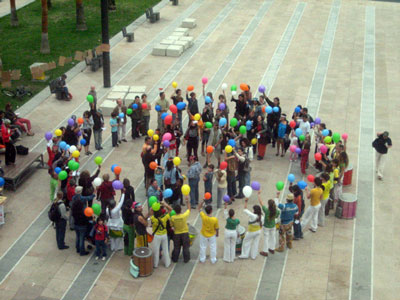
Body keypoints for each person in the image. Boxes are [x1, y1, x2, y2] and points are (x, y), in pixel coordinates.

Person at [150, 200, 172, 268]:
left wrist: (153, 207)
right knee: (166, 250)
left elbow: (150, 212)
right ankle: (167, 264)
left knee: (156, 251)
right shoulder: (165, 217)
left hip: (157, 236)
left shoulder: (152, 218)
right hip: (164, 235)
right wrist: (165, 204)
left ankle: (155, 264)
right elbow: (170, 209)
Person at [259, 191, 280, 257]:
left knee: (266, 238)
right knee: (273, 237)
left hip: (266, 226)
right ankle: (272, 248)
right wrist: (277, 195)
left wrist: (259, 195)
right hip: (273, 226)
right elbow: (276, 216)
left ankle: (265, 251)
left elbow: (261, 203)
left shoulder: (266, 210)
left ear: (268, 205)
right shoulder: (277, 211)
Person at [198, 199, 219, 264]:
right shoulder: (214, 219)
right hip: (212, 234)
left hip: (203, 234)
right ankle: (213, 259)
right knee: (213, 247)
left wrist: (202, 201)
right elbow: (217, 228)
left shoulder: (203, 216)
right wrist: (217, 233)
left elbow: (199, 208)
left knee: (203, 246)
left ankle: (202, 259)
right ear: (211, 211)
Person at [171, 196, 191, 263]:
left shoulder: (173, 218)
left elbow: (171, 225)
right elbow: (189, 209)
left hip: (176, 234)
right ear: (181, 210)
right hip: (185, 233)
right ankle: (186, 259)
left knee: (176, 247)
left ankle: (175, 259)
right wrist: (187, 201)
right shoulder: (184, 216)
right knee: (185, 247)